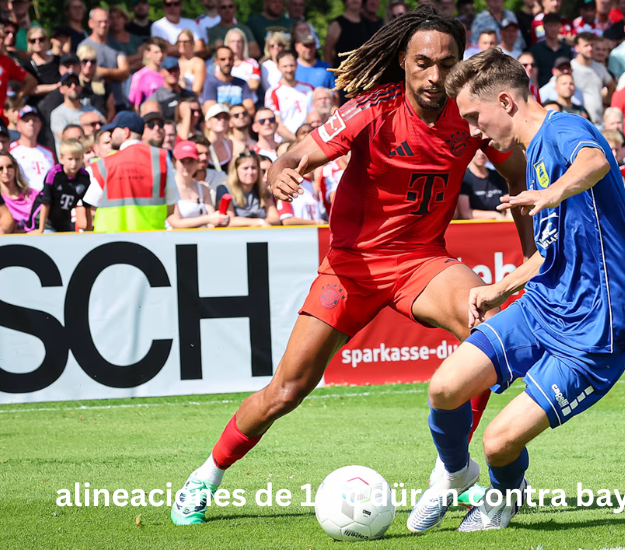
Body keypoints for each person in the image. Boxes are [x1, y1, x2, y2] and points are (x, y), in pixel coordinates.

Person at [170, 6, 531, 525]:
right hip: (352, 268)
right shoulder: (373, 107)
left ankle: (453, 472)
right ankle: (206, 476)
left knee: (490, 333)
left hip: (422, 263)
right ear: (402, 61)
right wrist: (279, 172)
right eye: (423, 63)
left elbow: (520, 181)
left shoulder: (468, 112)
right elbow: (295, 157)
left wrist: (528, 255)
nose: (434, 76)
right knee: (286, 390)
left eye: (446, 64)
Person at [407, 46, 625, 533]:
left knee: (498, 442)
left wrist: (554, 190)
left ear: (507, 102)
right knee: (445, 389)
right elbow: (549, 250)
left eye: (475, 117)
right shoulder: (533, 152)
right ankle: (454, 475)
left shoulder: (562, 129)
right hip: (544, 304)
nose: (474, 131)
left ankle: (504, 498)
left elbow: (595, 161)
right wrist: (502, 287)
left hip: (596, 327)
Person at [82, 111, 182, 232]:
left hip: (110, 240)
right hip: (150, 239)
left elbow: (89, 206)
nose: (111, 135)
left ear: (126, 132)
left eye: (114, 130)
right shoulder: (161, 157)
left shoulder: (104, 164)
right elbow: (170, 206)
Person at [165, 141, 228, 229]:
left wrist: (220, 220)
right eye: (183, 161)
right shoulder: (169, 188)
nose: (187, 166)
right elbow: (175, 222)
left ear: (197, 162)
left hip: (201, 240)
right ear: (175, 162)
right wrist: (208, 219)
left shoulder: (203, 189)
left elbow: (212, 223)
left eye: (191, 161)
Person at [33, 138, 90, 233]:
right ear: (61, 159)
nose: (74, 163)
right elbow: (46, 202)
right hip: (46, 220)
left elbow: (87, 204)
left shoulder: (84, 177)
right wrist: (41, 229)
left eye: (77, 159)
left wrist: (88, 229)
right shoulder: (54, 174)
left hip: (64, 220)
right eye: (70, 159)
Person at [80, 8, 129, 113]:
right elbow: (84, 75)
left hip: (119, 101)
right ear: (91, 23)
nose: (103, 25)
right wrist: (115, 74)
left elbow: (125, 73)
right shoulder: (84, 47)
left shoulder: (116, 45)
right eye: (99, 22)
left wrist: (103, 72)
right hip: (95, 104)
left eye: (106, 21)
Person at [265, 52, 314, 139]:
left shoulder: (309, 89)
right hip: (285, 141)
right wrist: (297, 141)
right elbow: (277, 124)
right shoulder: (273, 92)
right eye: (285, 66)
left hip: (309, 139)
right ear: (278, 67)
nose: (289, 69)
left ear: (296, 65)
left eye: (291, 65)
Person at [324, 0, 384, 68]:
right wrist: (330, 70)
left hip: (364, 72)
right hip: (343, 73)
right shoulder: (337, 24)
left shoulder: (368, 23)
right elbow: (327, 50)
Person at [570, 32, 613, 126]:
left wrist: (606, 101)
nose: (590, 48)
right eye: (586, 45)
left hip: (599, 123)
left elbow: (612, 85)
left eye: (592, 45)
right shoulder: (570, 68)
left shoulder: (599, 67)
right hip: (579, 123)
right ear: (577, 48)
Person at [50, 72, 100, 149]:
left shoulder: (91, 109)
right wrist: (87, 128)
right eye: (68, 84)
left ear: (81, 87)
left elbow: (102, 129)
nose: (73, 86)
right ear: (61, 89)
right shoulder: (57, 114)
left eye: (76, 83)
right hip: (72, 157)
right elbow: (67, 139)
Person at [10, 106, 55, 190]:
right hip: (23, 198)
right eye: (26, 120)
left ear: (40, 125)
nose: (31, 123)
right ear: (18, 126)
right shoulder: (11, 151)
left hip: (46, 200)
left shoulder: (49, 152)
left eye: (34, 120)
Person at [201, 47, 255, 116]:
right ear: (216, 61)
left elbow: (250, 110)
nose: (227, 62)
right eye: (223, 59)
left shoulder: (242, 83)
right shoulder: (210, 83)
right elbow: (210, 111)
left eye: (230, 59)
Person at [457, 148, 509, 219]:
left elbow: (509, 205)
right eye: (477, 149)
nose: (481, 153)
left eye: (484, 149)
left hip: (500, 224)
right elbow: (465, 213)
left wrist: (510, 216)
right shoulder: (464, 178)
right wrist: (494, 215)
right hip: (475, 226)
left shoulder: (498, 176)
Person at [0, 151, 40, 232]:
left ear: (15, 168)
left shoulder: (33, 194)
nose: (5, 171)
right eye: (0, 168)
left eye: (9, 167)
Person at [530, 13, 573, 88]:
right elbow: (534, 76)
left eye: (555, 25)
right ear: (544, 27)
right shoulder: (536, 50)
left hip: (564, 89)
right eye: (550, 25)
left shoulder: (567, 49)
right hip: (543, 92)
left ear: (560, 27)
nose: (553, 29)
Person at [23, 26, 61, 107]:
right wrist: (56, 86)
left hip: (60, 102)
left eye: (41, 39)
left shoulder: (58, 60)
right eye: (33, 40)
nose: (37, 42)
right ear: (29, 43)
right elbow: (31, 89)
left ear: (47, 40)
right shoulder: (27, 65)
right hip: (40, 106)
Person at [128, 38, 168, 108]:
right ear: (147, 53)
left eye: (162, 51)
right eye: (156, 52)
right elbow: (135, 106)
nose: (160, 55)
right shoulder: (139, 76)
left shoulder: (169, 74)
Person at [226, 28, 261, 101]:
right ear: (227, 43)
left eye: (239, 41)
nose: (236, 44)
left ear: (244, 44)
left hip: (249, 102)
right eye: (233, 41)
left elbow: (254, 84)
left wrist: (229, 88)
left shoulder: (252, 63)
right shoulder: (222, 64)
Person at [108, 5, 145, 73]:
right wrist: (135, 58)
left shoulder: (136, 39)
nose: (115, 21)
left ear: (124, 19)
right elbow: (111, 64)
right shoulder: (107, 41)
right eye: (111, 18)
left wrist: (122, 66)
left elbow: (143, 60)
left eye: (118, 17)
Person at [203, 104, 234, 172]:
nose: (222, 120)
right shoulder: (202, 145)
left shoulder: (229, 143)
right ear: (208, 123)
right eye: (217, 117)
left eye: (225, 117)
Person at [176, 30, 206, 95]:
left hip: (192, 99)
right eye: (179, 42)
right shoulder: (174, 62)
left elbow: (196, 91)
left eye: (186, 42)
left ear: (192, 44)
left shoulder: (198, 62)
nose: (182, 44)